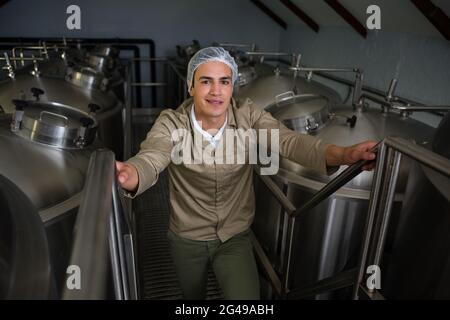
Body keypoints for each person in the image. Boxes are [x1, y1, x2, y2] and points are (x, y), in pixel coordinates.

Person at [116, 47, 377, 300]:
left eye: (224, 81)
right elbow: (154, 155)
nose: (216, 91)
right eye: (206, 81)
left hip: (234, 236)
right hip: (187, 237)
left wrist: (343, 155)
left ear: (233, 86)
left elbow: (291, 142)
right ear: (191, 86)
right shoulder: (172, 122)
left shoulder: (247, 115)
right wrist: (132, 172)